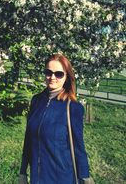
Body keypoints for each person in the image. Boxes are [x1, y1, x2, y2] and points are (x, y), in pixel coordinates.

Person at [18, 53, 94, 184]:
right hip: (36, 177)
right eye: (48, 72)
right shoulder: (36, 101)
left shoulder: (73, 108)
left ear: (67, 77)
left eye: (58, 74)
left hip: (61, 177)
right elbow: (28, 140)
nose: (52, 77)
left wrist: (85, 176)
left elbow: (78, 147)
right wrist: (23, 171)